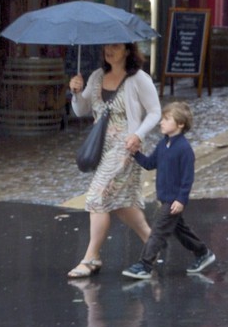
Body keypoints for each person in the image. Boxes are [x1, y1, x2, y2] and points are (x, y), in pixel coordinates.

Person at [66, 42, 160, 278]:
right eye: (107, 46)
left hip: (126, 146)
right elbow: (81, 110)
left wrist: (138, 135)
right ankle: (152, 241)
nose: (110, 50)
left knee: (98, 196)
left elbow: (155, 112)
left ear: (128, 51)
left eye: (116, 46)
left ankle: (91, 257)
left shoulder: (138, 79)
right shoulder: (97, 76)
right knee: (120, 203)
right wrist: (76, 92)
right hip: (102, 147)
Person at [122, 101, 216, 279]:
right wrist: (136, 154)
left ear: (180, 124)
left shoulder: (184, 149)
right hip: (165, 198)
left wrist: (181, 200)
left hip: (173, 200)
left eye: (166, 119)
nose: (161, 123)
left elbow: (187, 179)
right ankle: (203, 252)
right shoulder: (163, 144)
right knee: (180, 230)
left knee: (158, 230)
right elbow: (150, 164)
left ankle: (145, 265)